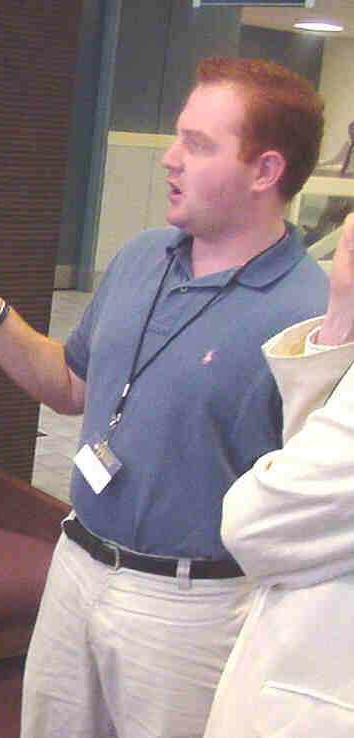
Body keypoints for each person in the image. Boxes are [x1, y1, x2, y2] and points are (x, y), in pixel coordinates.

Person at [0, 57, 330, 737]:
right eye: (178, 136)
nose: (170, 158)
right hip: (76, 562)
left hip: (192, 607)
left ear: (266, 171)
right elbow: (70, 386)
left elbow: (312, 511)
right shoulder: (144, 257)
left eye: (198, 144)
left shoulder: (311, 316)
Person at [203, 215, 354, 737]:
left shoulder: (295, 293)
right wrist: (340, 324)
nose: (172, 167)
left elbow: (256, 525)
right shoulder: (143, 260)